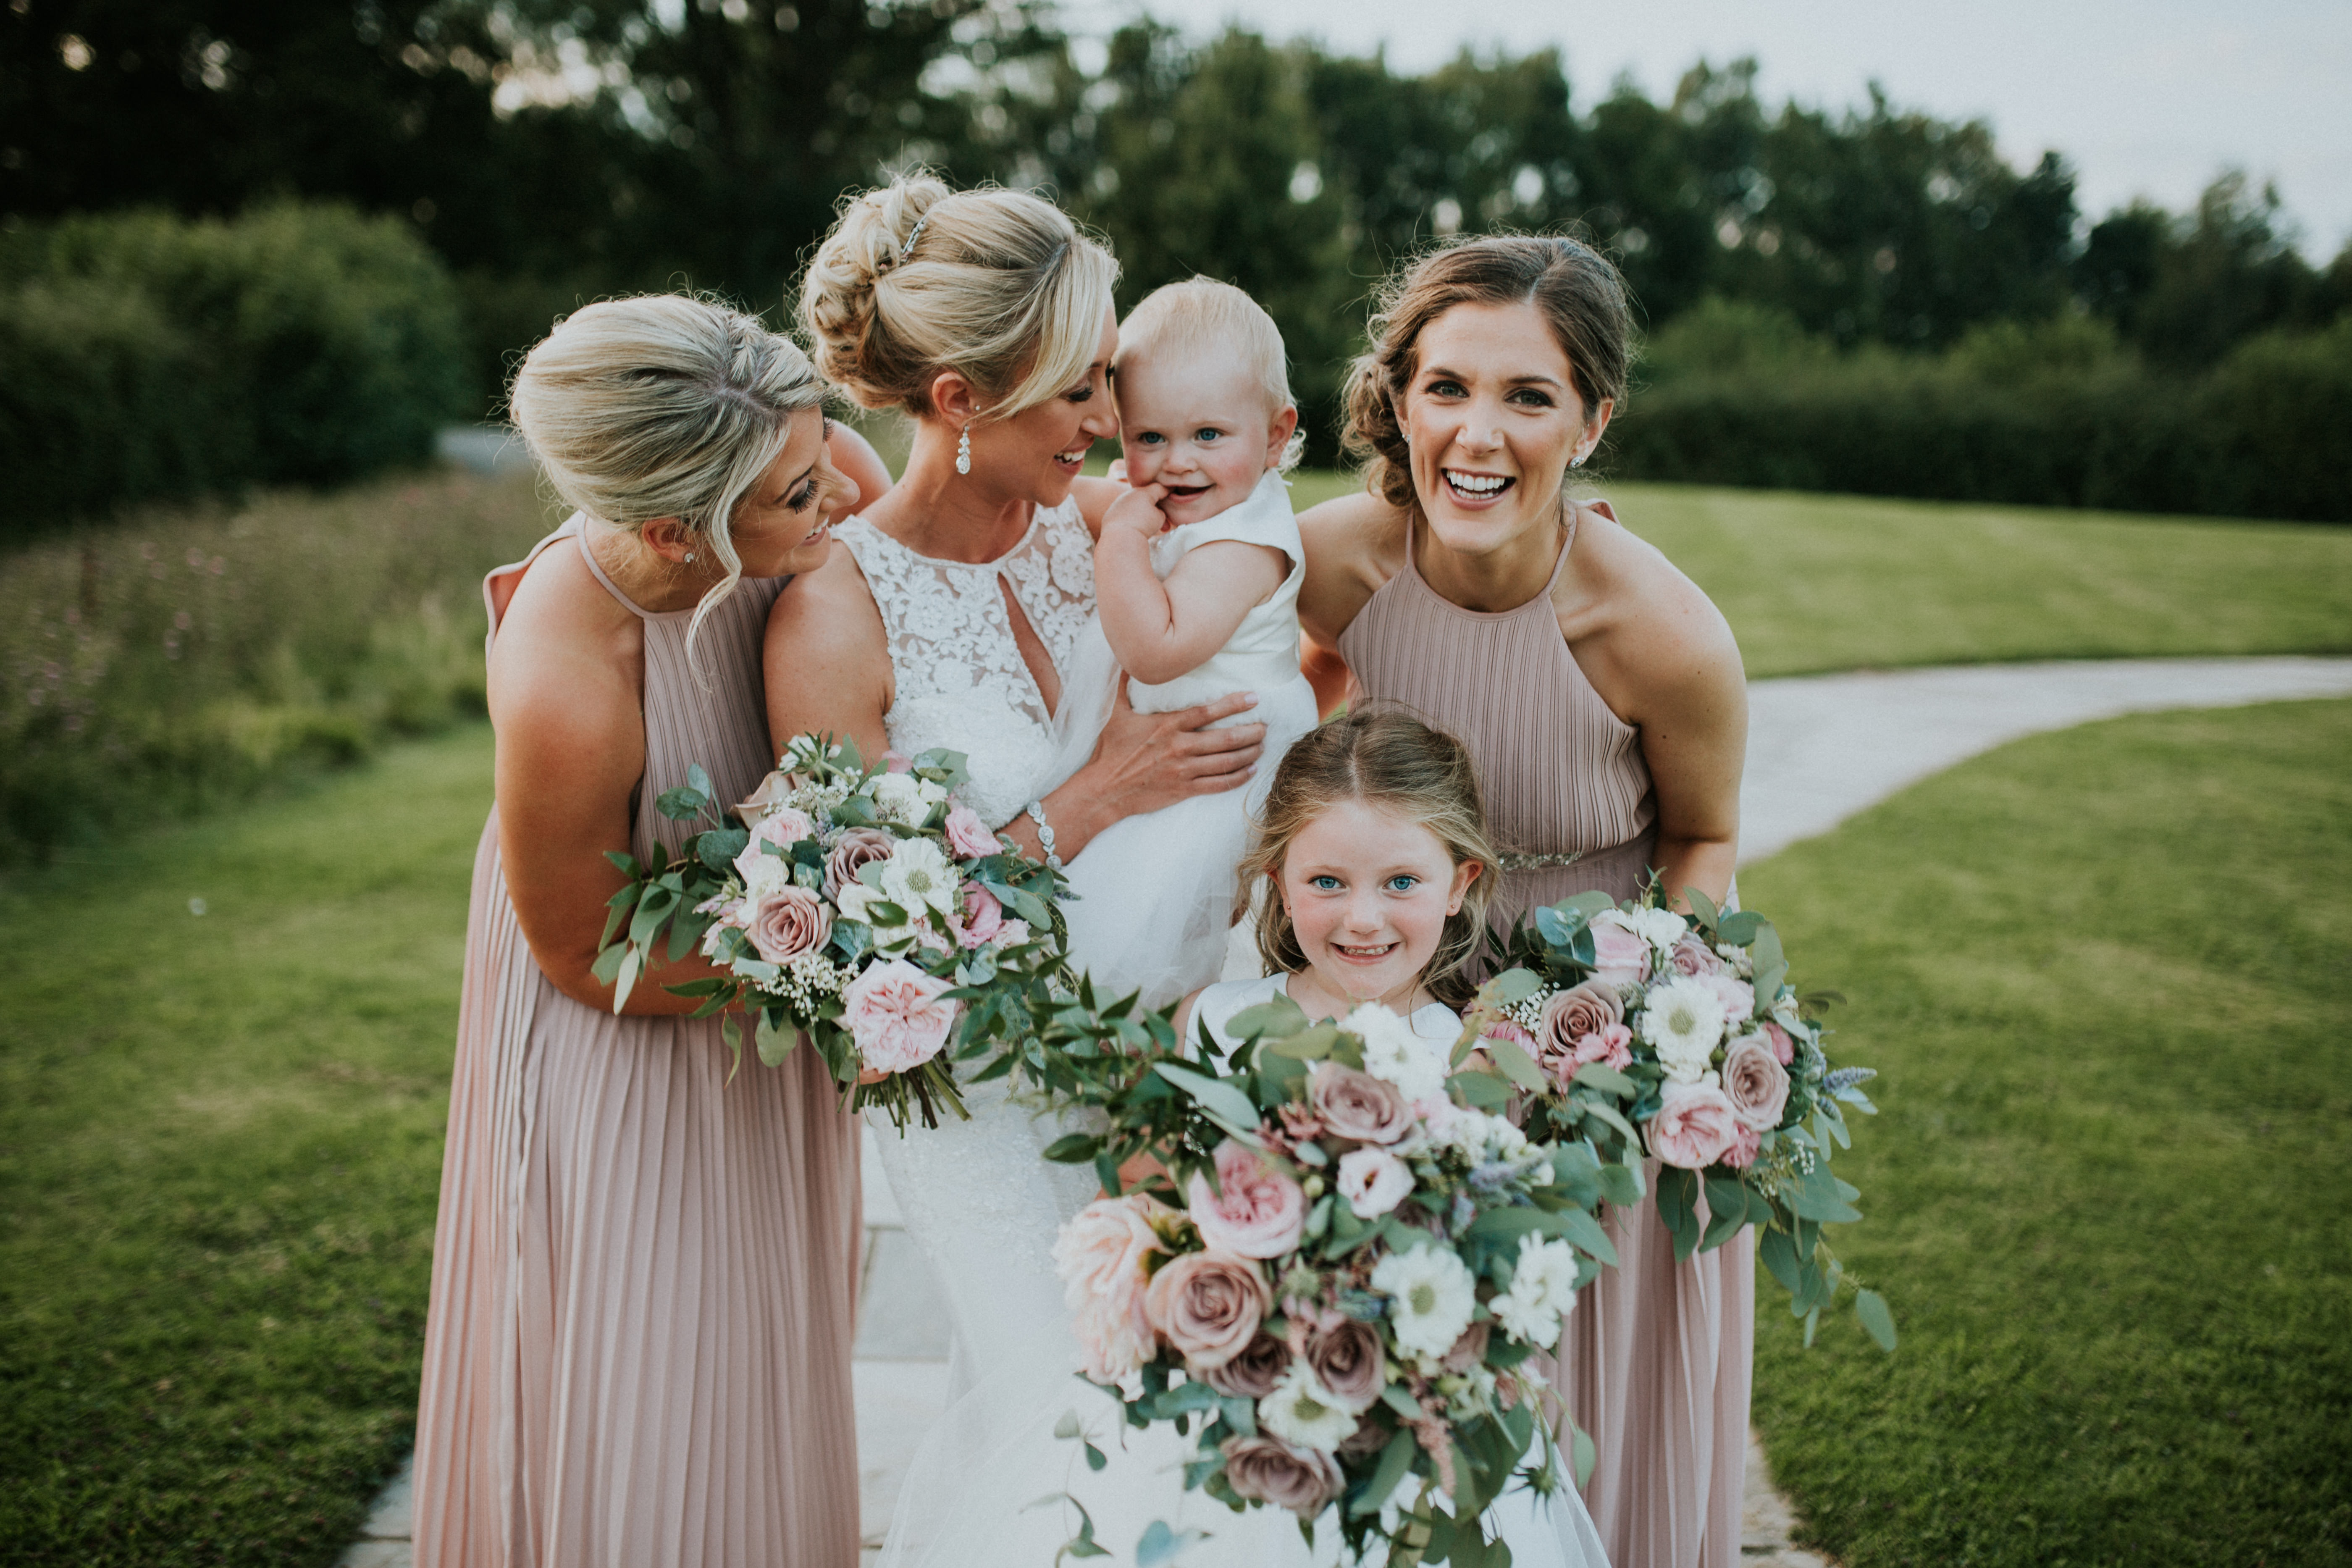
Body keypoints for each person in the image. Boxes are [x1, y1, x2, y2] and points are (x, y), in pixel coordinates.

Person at [775, 173, 1270, 1568]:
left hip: (1160, 1049)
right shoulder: (836, 611)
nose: (1108, 424)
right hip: (978, 1097)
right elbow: (872, 936)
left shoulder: (1105, 529)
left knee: (1187, 1400)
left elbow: (1292, 561)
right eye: (1073, 397)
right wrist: (1094, 799)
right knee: (1073, 1410)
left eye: (1106, 380)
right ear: (955, 404)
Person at [411, 294, 895, 1568]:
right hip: (628, 1038)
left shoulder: (800, 460)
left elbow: (857, 496)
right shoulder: (566, 677)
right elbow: (580, 952)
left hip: (755, 1007)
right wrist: (850, 960)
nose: (839, 491)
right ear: (679, 529)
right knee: (648, 1374)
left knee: (762, 1371)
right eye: (797, 497)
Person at [1296, 236, 1752, 1568]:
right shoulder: (1333, 565)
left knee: (1578, 1393)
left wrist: (1611, 1028)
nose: (1476, 433)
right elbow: (1126, 524)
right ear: (1398, 400)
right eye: (1445, 387)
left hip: (1589, 1041)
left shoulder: (1660, 632)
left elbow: (1707, 835)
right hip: (1385, 1020)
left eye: (1528, 396)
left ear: (1595, 418)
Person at [1169, 709, 1612, 1568]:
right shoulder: (1213, 1026)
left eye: (1400, 882)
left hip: (1418, 1422)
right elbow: (1167, 1220)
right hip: (1250, 1415)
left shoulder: (1476, 1052)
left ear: (1459, 882)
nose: (1362, 919)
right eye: (1326, 881)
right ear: (1275, 878)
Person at [1046, 276, 1324, 1010]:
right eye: (1150, 438)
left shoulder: (1247, 542)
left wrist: (1123, 539)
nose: (1178, 463)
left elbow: (1157, 650)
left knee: (1146, 939)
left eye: (1208, 435)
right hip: (1162, 739)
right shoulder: (1199, 496)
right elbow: (1080, 497)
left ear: (1275, 434)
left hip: (1214, 769)